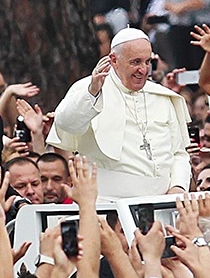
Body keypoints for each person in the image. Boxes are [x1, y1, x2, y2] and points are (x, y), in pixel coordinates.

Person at [47, 27, 191, 201]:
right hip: (107, 203)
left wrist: (178, 186)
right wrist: (92, 93)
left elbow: (179, 152)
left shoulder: (161, 96)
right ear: (114, 60)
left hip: (162, 205)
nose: (143, 70)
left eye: (147, 62)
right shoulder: (88, 88)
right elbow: (67, 124)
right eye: (136, 62)